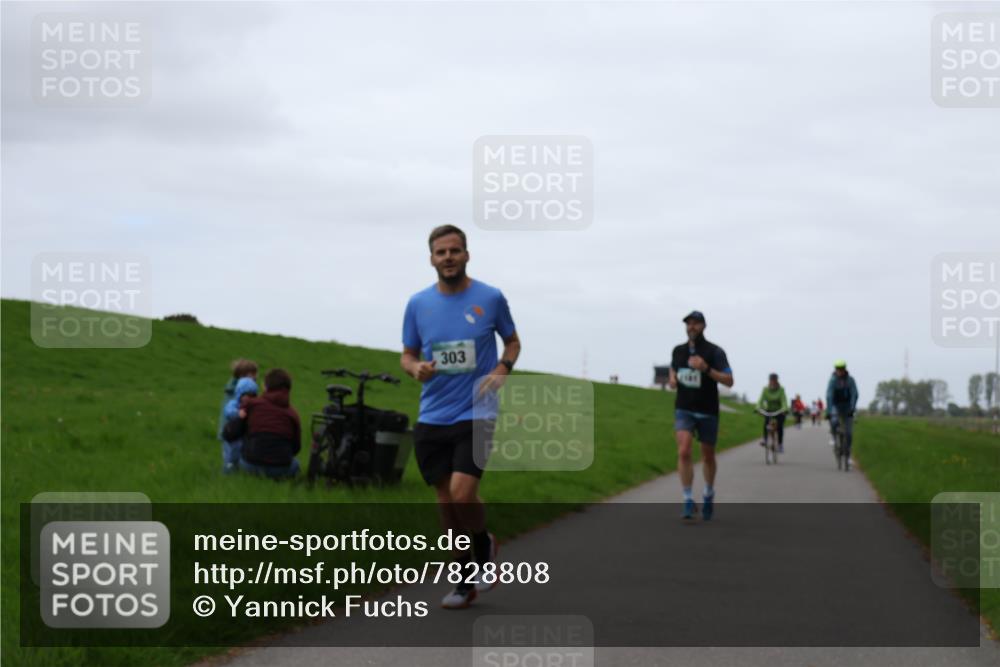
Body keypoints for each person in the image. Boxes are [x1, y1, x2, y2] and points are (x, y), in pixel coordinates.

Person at [400, 225, 521, 609]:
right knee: (445, 503)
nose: (448, 257)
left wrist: (502, 369)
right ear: (431, 259)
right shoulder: (418, 304)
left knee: (462, 492)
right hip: (433, 414)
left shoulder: (490, 297)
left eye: (454, 251)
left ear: (466, 254)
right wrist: (414, 368)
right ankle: (464, 580)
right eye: (440, 252)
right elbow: (406, 354)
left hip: (477, 409)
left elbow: (513, 341)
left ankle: (483, 543)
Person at [668, 310, 733, 521]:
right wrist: (672, 379)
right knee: (684, 450)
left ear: (704, 326)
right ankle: (687, 499)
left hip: (707, 409)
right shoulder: (678, 351)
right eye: (688, 324)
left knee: (708, 455)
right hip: (684, 407)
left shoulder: (714, 351)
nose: (691, 327)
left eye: (696, 323)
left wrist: (706, 369)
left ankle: (708, 493)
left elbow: (729, 380)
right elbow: (673, 368)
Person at [239, 368, 302, 479]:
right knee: (296, 464)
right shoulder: (292, 414)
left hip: (250, 465)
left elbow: (237, 429)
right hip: (280, 469)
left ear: (266, 386)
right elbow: (296, 447)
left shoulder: (252, 404)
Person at [217, 359, 258, 473]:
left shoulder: (244, 389)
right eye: (252, 374)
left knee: (237, 453)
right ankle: (227, 473)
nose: (255, 377)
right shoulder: (235, 391)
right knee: (229, 456)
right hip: (229, 430)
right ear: (242, 375)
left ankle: (236, 472)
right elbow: (229, 411)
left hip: (237, 429)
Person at [826, 360, 859, 470]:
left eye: (841, 368)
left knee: (849, 433)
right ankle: (834, 437)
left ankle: (848, 456)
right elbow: (829, 395)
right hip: (836, 405)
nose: (839, 371)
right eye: (837, 369)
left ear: (844, 369)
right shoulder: (833, 380)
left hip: (847, 406)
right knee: (834, 421)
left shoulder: (850, 380)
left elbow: (854, 394)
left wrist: (852, 408)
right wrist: (829, 411)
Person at [756, 373, 789, 453]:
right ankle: (765, 439)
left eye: (774, 380)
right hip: (769, 410)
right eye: (771, 380)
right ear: (769, 380)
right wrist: (758, 408)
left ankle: (780, 445)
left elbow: (784, 400)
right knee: (766, 423)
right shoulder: (765, 389)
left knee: (780, 426)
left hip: (779, 410)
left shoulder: (781, 389)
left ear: (777, 380)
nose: (773, 382)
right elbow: (760, 400)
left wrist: (785, 409)